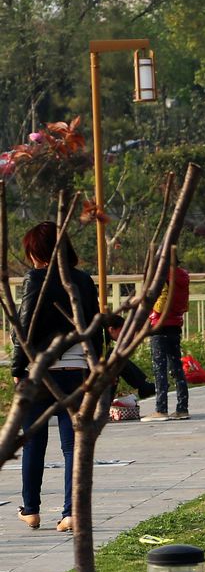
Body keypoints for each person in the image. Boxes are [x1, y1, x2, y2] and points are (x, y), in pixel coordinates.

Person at [16, 224, 98, 529]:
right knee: (73, 446)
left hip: (39, 372)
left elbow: (23, 328)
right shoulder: (83, 280)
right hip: (76, 370)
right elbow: (94, 325)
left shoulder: (34, 279)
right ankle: (70, 512)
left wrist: (16, 368)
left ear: (38, 251)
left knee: (34, 442)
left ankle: (31, 509)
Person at [147, 260, 191, 420]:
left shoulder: (163, 275)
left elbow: (162, 296)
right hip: (175, 323)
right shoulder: (182, 275)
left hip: (160, 324)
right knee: (176, 367)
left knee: (160, 368)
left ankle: (161, 408)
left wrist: (154, 310)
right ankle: (182, 407)